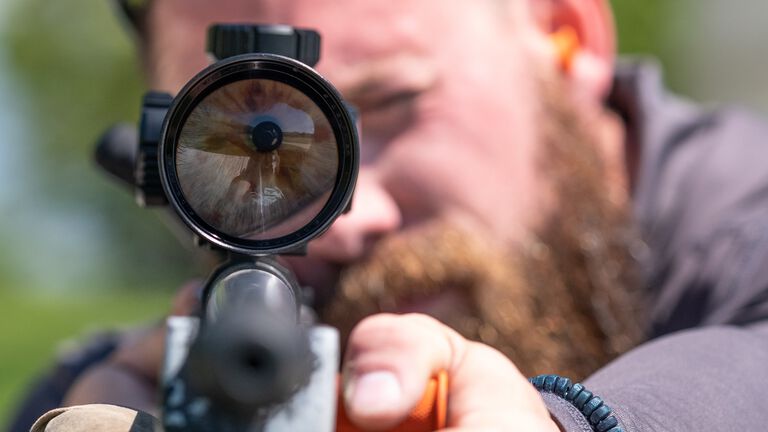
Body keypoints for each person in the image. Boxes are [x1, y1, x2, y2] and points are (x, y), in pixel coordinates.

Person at [15, 0, 768, 431]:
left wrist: (571, 424)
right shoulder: (114, 388)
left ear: (567, 37)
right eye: (233, 146)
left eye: (390, 105)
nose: (342, 219)